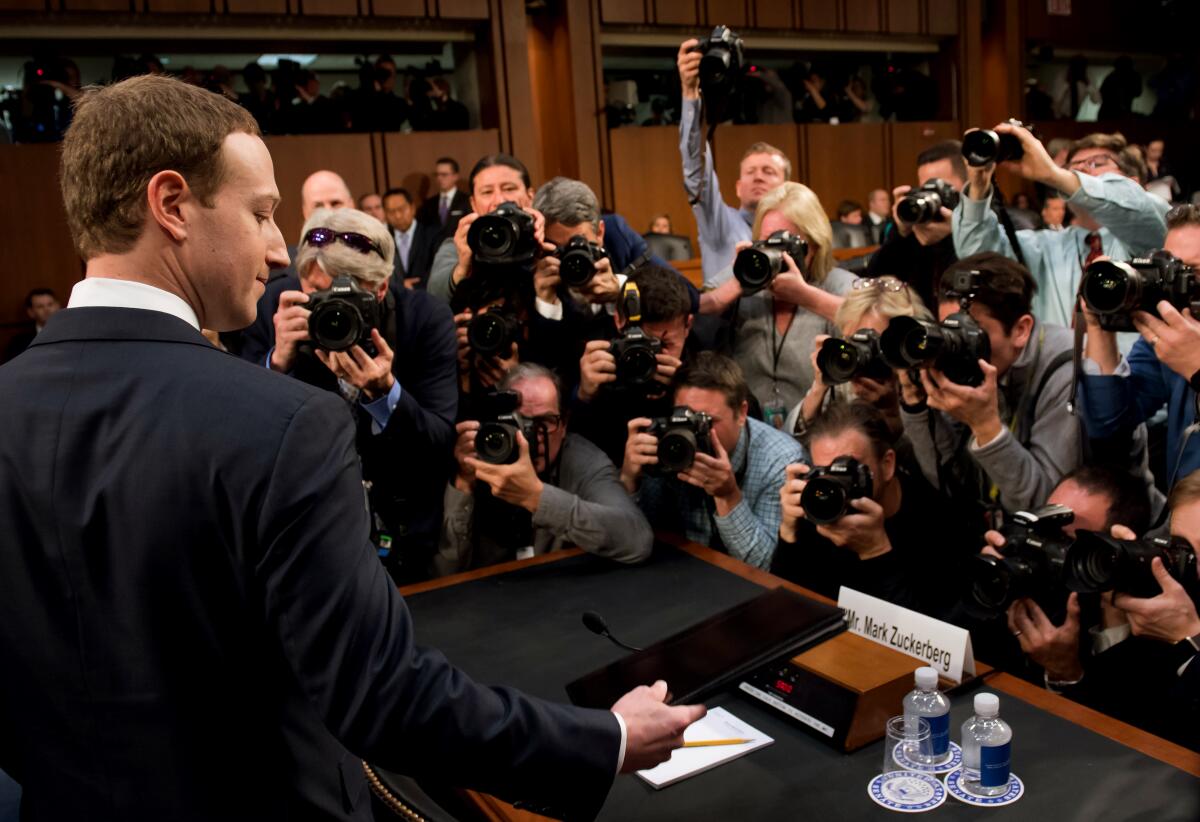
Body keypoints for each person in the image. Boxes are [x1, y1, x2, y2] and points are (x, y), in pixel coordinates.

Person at [0, 73, 702, 820]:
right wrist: (609, 739)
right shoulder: (284, 424)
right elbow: (384, 696)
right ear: (171, 204)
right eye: (264, 214)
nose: (277, 252)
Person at [240, 206, 457, 580]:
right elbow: (241, 436)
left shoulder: (423, 317)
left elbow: (439, 442)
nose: (335, 311)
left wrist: (385, 393)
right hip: (309, 533)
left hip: (407, 525)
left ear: (383, 287)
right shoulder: (272, 310)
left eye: (350, 298)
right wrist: (277, 365)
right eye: (320, 298)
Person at [898, 253, 1083, 520]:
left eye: (970, 331)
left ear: (1021, 329)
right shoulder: (960, 364)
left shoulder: (1068, 370)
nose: (955, 343)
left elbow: (1045, 507)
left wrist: (986, 427)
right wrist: (916, 404)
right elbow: (948, 480)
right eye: (948, 329)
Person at [1032, 472, 1200, 751]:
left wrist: (1192, 638)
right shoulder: (1173, 604)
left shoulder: (1182, 622)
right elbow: (1114, 729)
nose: (1195, 570)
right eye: (1184, 549)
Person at [438, 362, 654, 574]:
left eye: (546, 422)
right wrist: (464, 483)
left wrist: (537, 498)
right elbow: (446, 572)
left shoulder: (582, 459)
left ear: (564, 423)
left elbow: (636, 540)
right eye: (521, 422)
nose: (534, 436)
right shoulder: (482, 455)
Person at [953, 126, 1169, 336]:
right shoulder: (1043, 246)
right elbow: (978, 255)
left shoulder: (1147, 235)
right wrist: (978, 185)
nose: (1081, 170)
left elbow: (1140, 210)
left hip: (1132, 371)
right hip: (1058, 370)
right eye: (1073, 167)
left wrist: (1054, 175)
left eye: (1096, 163)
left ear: (1133, 182)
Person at [773, 401, 976, 618]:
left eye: (847, 469)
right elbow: (783, 611)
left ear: (887, 464)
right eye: (824, 471)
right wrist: (788, 531)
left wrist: (876, 552)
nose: (834, 483)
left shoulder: (938, 520)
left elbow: (928, 640)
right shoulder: (820, 502)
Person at [622, 352, 805, 570]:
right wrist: (629, 479)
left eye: (707, 421)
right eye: (686, 418)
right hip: (677, 572)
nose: (696, 433)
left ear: (741, 413)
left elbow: (766, 567)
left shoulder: (780, 459)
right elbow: (633, 539)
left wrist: (728, 496)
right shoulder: (667, 442)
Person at [977, 466, 1152, 687]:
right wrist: (991, 585)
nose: (1043, 546)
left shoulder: (1143, 620)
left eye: (1062, 539)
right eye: (1044, 526)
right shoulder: (1025, 568)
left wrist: (1064, 670)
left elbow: (1116, 712)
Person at [702, 182, 855, 425]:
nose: (776, 254)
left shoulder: (839, 285)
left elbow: (872, 322)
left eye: (786, 244)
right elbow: (691, 308)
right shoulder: (747, 277)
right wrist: (734, 286)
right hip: (750, 429)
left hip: (822, 429)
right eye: (766, 242)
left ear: (814, 245)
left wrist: (805, 296)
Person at [1077, 204, 1200, 489]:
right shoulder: (1170, 335)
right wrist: (1101, 327)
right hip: (1181, 522)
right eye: (1170, 267)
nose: (1178, 282)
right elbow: (1108, 423)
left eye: (1191, 272)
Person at [676, 38, 791, 287]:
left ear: (786, 187)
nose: (758, 176)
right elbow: (696, 170)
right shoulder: (719, 223)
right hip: (727, 323)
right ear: (738, 187)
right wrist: (690, 93)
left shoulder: (795, 233)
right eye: (750, 172)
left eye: (768, 171)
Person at [529, 176, 699, 344]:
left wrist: (622, 288)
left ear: (600, 233)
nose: (571, 260)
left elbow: (689, 296)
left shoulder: (617, 239)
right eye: (558, 248)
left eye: (578, 246)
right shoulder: (534, 261)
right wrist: (545, 305)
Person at [572, 264, 696, 466]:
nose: (653, 358)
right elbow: (570, 447)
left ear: (688, 326)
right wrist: (583, 396)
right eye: (642, 344)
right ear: (619, 320)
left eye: (664, 345)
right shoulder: (592, 351)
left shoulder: (703, 359)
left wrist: (684, 390)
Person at [790, 276, 932, 444]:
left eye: (874, 343)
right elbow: (795, 447)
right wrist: (819, 387)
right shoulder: (843, 376)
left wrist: (892, 410)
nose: (863, 353)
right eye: (855, 341)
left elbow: (934, 462)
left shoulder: (925, 381)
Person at [426, 153, 547, 303]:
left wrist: (542, 251)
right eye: (487, 192)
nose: (499, 200)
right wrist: (464, 266)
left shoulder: (547, 239)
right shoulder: (456, 248)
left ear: (530, 196)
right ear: (473, 203)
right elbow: (434, 298)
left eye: (509, 188)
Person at [865, 141, 966, 310]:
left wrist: (953, 236)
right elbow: (877, 279)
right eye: (926, 188)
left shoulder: (989, 228)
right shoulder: (918, 229)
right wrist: (900, 233)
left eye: (941, 188)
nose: (932, 196)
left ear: (968, 186)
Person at [382, 187, 440, 289]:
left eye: (401, 209)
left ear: (412, 208)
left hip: (427, 296)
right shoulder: (383, 240)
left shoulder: (433, 235)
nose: (398, 216)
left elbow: (438, 268)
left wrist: (416, 286)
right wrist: (400, 285)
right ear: (385, 214)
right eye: (391, 211)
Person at [415, 156, 471, 238]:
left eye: (444, 175)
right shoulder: (428, 204)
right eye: (437, 174)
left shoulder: (467, 200)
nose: (439, 178)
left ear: (455, 176)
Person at [2, 287, 60, 363]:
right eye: (40, 306)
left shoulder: (70, 334)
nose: (47, 309)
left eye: (50, 304)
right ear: (31, 312)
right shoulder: (18, 343)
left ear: (58, 306)